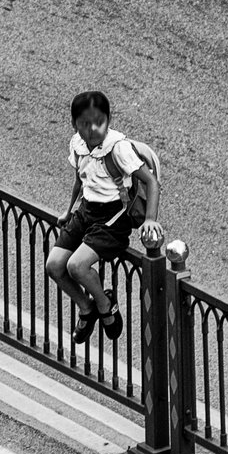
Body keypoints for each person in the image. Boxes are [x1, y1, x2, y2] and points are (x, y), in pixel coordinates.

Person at [45, 90, 164, 345]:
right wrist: (69, 210)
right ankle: (86, 307)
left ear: (108, 120)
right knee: (54, 265)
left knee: (76, 266)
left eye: (99, 122)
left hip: (113, 219)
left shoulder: (118, 148)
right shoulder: (77, 145)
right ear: (74, 124)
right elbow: (80, 179)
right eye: (84, 124)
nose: (92, 129)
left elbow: (151, 182)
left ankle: (105, 305)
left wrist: (150, 219)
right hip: (86, 211)